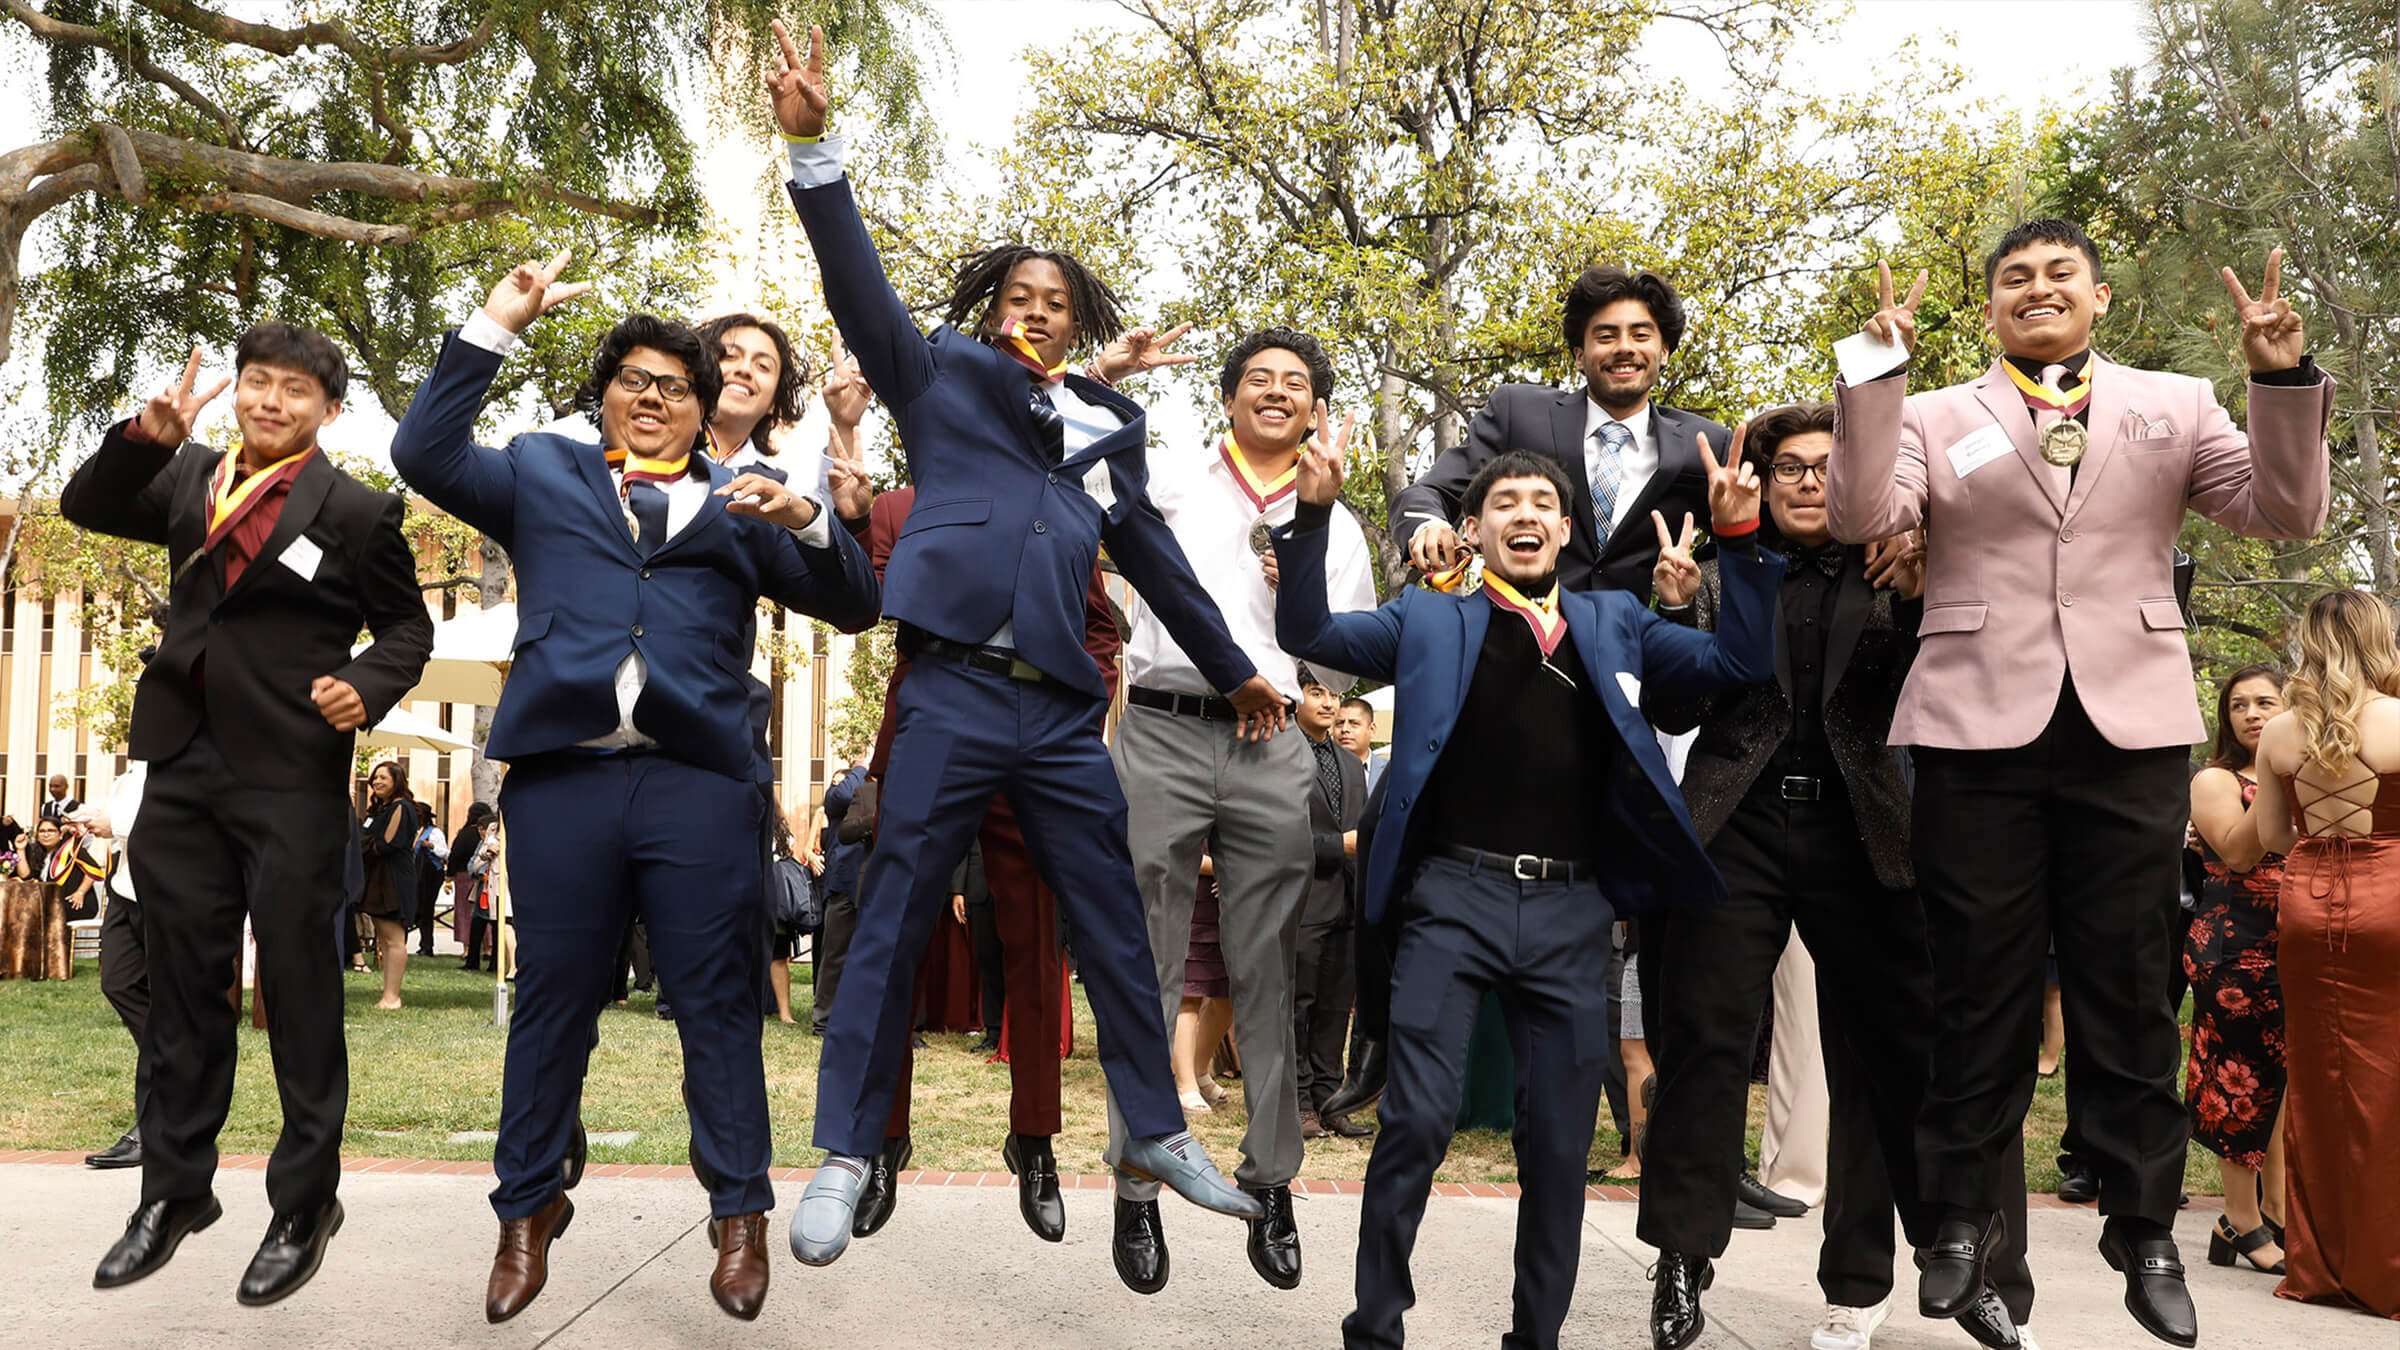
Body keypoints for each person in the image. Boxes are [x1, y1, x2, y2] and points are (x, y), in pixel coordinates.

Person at [768, 21, 1272, 1268]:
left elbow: (1151, 556)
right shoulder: (936, 378)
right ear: (994, 314)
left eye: (1058, 303)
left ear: (1078, 321)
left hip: (1058, 707)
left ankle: (1153, 1130)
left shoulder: (1106, 423)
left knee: (1109, 913)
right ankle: (842, 1150)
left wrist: (1241, 670)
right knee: (887, 915)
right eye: (1020, 298)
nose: (1036, 313)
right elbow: (855, 287)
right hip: (946, 688)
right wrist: (813, 145)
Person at [1828, 225, 2332, 1348]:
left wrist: (2279, 380)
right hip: (1975, 725)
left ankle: (2144, 1226)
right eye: (2015, 278)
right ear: (1993, 307)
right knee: (1978, 983)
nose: (2037, 289)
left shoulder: (2177, 402)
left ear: (2098, 296)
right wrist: (1874, 378)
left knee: (2133, 978)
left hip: (2130, 724)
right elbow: (1865, 519)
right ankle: (1956, 1220)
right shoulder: (1933, 413)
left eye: (2060, 274)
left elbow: (2286, 513)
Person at [388, 250, 880, 1324]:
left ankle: (739, 1215)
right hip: (563, 781)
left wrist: (807, 521)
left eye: (678, 388)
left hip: (699, 786)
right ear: (606, 397)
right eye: (635, 383)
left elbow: (855, 606)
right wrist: (493, 320)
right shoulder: (542, 474)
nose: (653, 398)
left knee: (716, 1006)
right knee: (554, 1005)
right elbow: (421, 450)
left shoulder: (745, 503)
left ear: (709, 413)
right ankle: (526, 1213)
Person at [1276, 432, 1776, 1350]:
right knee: (1416, 1124)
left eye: (1543, 507)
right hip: (1450, 901)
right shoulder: (1429, 620)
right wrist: (1312, 517)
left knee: (1555, 1147)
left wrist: (1740, 547)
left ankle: (1534, 1339)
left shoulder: (1616, 621)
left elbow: (1737, 670)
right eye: (1504, 506)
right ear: (1472, 529)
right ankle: (1375, 1327)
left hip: (1573, 912)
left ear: (1566, 532)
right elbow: (1308, 635)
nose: (1525, 517)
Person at [1639, 404, 2033, 1350]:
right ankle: (1683, 1261)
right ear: (1762, 487)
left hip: (1872, 837)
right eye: (1789, 470)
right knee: (1704, 1043)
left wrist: (1922, 592)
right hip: (1737, 828)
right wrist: (1670, 605)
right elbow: (1674, 702)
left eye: (1827, 466)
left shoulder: (1901, 568)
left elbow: (1953, 689)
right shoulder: (1725, 567)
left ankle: (1960, 1253)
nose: (1809, 482)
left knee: (1909, 1056)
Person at [63, 323, 434, 1305]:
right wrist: (141, 439)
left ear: (328, 410)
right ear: (237, 391)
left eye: (294, 390)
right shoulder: (189, 476)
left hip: (293, 770)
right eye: (257, 383)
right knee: (186, 985)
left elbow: (407, 628)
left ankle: (305, 1203)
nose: (271, 401)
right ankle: (174, 1193)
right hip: (180, 762)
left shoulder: (356, 511)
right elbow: (85, 504)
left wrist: (370, 682)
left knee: (302, 992)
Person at [1103, 325, 1378, 1293]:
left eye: (1294, 384)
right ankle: (1138, 1180)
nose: (1274, 392)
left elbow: (1344, 665)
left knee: (1266, 968)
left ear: (1315, 410)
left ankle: (1272, 1185)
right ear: (1227, 399)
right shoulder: (1172, 482)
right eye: (1257, 379)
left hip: (1273, 745)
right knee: (1148, 960)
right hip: (1167, 729)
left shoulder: (1333, 519)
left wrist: (1295, 583)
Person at [1391, 265, 1721, 598]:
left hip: (1632, 642)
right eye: (1606, 336)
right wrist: (1429, 525)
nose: (1624, 347)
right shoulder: (1517, 414)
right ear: (1580, 355)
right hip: (1515, 638)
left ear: (1664, 351)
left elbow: (1749, 542)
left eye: (1640, 335)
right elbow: (1429, 492)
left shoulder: (1705, 446)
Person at [2250, 591, 2400, 1319]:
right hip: (2393, 897)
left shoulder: (2279, 732)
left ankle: (2325, 1264)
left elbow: (2274, 837)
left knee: (2320, 1082)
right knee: (2390, 1086)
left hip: (2307, 906)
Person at [2184, 664, 2291, 1278]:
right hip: (2234, 945)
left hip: (2298, 939)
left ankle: (2274, 1211)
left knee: (2284, 1086)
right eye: (2239, 706)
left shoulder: (2309, 774)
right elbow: (2240, 850)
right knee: (2240, 1083)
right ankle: (2240, 1220)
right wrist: (2279, 776)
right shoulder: (2216, 779)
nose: (2252, 714)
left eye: (2266, 702)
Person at [1293, 670, 1367, 1145]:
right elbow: (1276, 833)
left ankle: (1329, 1100)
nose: (1327, 703)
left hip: (1350, 899)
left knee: (1337, 1007)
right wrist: (1337, 846)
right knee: (1297, 1006)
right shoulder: (1279, 751)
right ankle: (1298, 1103)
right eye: (1316, 692)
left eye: (1333, 694)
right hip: (1301, 896)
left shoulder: (1349, 760)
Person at [86, 761, 150, 1170]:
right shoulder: (138, 762)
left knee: (168, 1002)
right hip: (125, 885)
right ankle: (174, 1056)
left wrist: (118, 823)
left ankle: (153, 1129)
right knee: (117, 982)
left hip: (166, 891)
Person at [809, 754, 871, 1036]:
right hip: (844, 883)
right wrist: (859, 768)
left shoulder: (874, 793)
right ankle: (823, 1021)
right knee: (834, 955)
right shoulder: (840, 795)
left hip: (872, 882)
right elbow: (842, 795)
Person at [357, 761, 420, 1012]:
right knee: (385, 938)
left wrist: (363, 844)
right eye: (374, 778)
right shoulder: (380, 810)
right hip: (379, 878)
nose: (377, 782)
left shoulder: (402, 808)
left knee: (394, 939)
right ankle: (387, 994)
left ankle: (393, 997)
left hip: (394, 879)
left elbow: (387, 844)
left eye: (383, 777)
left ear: (397, 780)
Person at [451, 802, 497, 971]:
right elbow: (475, 862)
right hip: (481, 884)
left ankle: (486, 957)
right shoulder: (482, 841)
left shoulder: (489, 840)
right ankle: (477, 957)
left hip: (488, 884)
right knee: (478, 921)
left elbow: (478, 862)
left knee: (490, 922)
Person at [410, 801, 449, 957]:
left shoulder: (435, 833)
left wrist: (432, 846)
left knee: (427, 909)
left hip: (431, 874)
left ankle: (428, 945)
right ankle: (422, 943)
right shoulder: (418, 832)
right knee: (418, 908)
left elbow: (446, 853)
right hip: (418, 874)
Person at [1335, 695, 1387, 793]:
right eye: (1339, 723)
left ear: (1372, 729)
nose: (1345, 729)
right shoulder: (1320, 769)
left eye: (1354, 723)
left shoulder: (1389, 772)